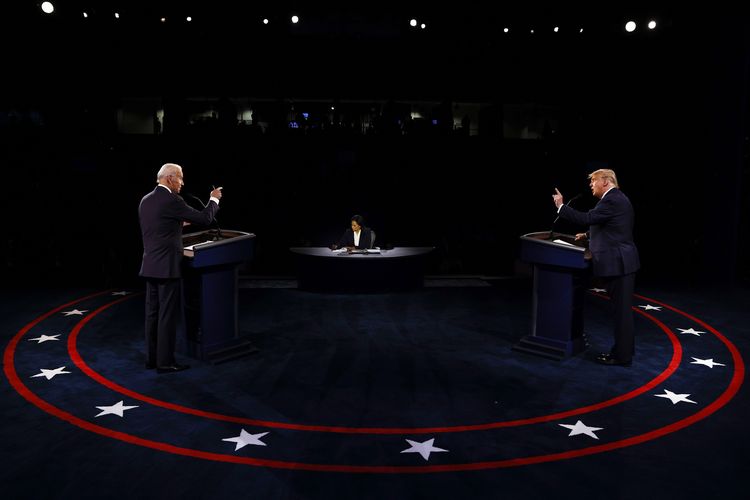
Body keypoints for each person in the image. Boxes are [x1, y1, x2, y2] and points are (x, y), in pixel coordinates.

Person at [138, 163, 223, 373]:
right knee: (166, 316)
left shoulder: (146, 200)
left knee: (152, 315)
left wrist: (177, 223)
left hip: (150, 265)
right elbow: (206, 218)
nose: (182, 183)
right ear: (169, 179)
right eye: (180, 179)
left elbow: (157, 225)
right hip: (167, 267)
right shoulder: (172, 199)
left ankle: (152, 359)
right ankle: (165, 363)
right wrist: (214, 199)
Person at [552, 168, 640, 367]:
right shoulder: (615, 200)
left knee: (622, 313)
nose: (591, 185)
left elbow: (587, 218)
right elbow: (612, 228)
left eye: (594, 181)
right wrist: (588, 235)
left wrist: (561, 207)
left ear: (606, 181)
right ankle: (624, 352)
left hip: (620, 264)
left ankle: (621, 356)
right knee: (621, 312)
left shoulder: (612, 199)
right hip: (620, 263)